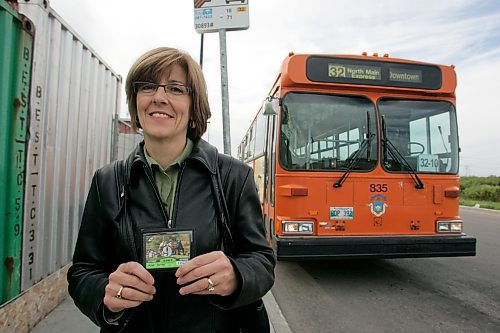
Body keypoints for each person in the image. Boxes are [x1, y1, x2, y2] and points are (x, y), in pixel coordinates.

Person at [67, 47, 276, 332]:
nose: (159, 97)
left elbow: (262, 260)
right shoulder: (107, 181)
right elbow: (82, 271)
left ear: (194, 106)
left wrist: (237, 276)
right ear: (136, 103)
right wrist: (106, 294)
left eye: (176, 89)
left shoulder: (233, 177)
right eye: (148, 86)